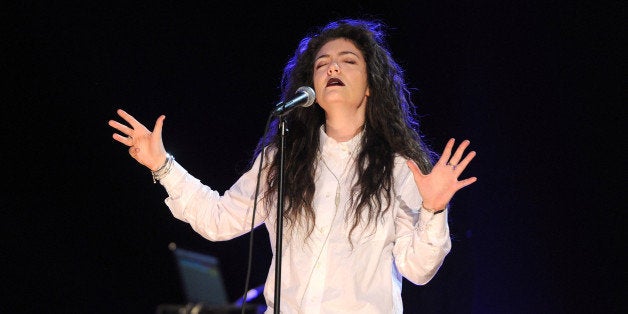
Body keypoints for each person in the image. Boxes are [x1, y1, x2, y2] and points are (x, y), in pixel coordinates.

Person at [108, 18, 477, 313]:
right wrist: (162, 165)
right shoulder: (282, 160)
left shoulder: (399, 169)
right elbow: (219, 219)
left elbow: (418, 269)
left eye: (348, 61)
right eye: (322, 63)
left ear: (370, 86)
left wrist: (433, 209)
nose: (333, 66)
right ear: (311, 86)